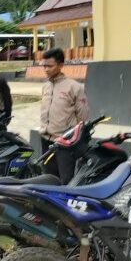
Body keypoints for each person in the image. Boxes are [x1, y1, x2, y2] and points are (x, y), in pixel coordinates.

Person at [39, 48, 89, 184]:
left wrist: (77, 140)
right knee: (48, 178)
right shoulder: (46, 87)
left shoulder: (75, 87)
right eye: (44, 66)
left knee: (66, 180)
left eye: (50, 66)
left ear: (61, 65)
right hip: (46, 140)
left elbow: (83, 116)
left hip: (65, 143)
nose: (46, 69)